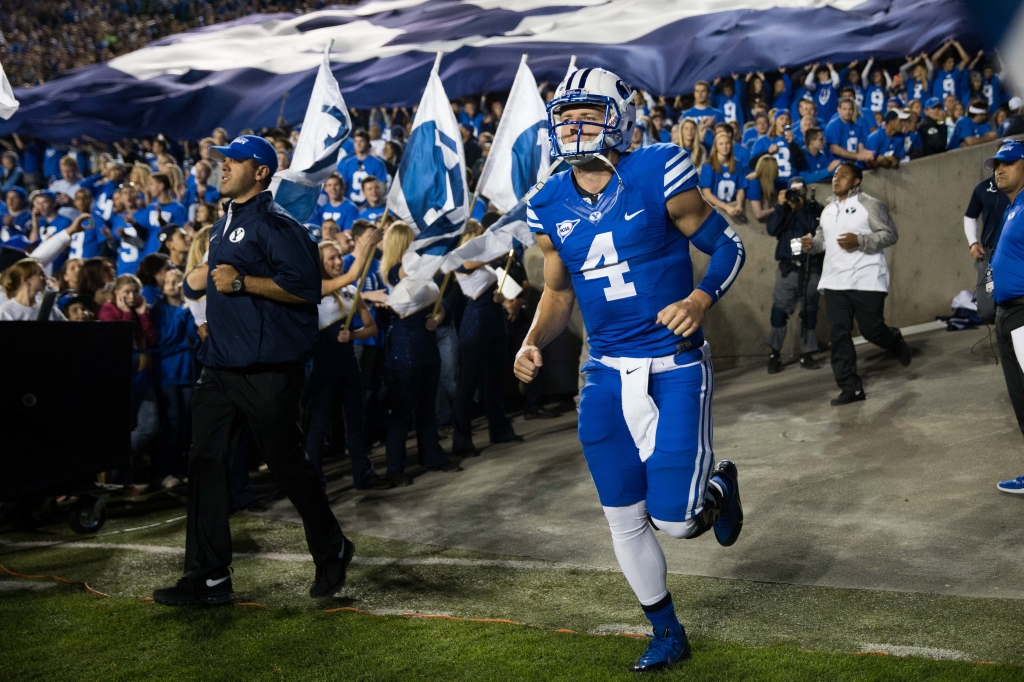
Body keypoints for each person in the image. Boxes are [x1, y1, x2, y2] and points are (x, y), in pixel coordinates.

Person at [516, 67, 745, 673]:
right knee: (622, 517)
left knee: (675, 520)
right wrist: (533, 339)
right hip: (605, 373)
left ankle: (718, 488)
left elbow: (730, 246)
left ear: (617, 116)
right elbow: (559, 295)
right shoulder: (545, 202)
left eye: (585, 112)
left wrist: (699, 301)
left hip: (672, 364)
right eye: (564, 116)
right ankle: (667, 631)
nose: (572, 125)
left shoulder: (659, 169)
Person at [153, 135, 353, 607]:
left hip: (267, 370)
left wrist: (241, 281)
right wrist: (201, 276)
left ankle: (333, 548)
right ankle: (209, 577)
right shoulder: (226, 223)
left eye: (235, 161)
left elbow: (306, 290)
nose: (224, 168)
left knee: (287, 466)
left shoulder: (277, 223)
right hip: (220, 367)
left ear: (261, 172)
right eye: (223, 161)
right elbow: (210, 278)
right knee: (204, 462)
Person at [801, 163, 911, 406]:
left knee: (872, 330)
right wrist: (812, 243)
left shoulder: (870, 204)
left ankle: (893, 339)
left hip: (866, 277)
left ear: (856, 181)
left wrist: (860, 240)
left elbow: (889, 234)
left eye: (843, 175)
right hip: (834, 281)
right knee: (838, 334)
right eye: (834, 176)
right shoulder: (827, 209)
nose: (836, 179)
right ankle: (851, 387)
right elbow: (822, 240)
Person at [379, 222, 462, 486]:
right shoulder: (394, 272)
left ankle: (432, 456)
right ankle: (395, 467)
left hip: (427, 344)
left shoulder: (422, 270)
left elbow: (442, 297)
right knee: (402, 411)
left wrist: (439, 315)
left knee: (427, 407)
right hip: (405, 348)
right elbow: (405, 277)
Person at [303, 239, 388, 491]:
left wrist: (353, 336)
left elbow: (371, 326)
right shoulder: (314, 288)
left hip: (349, 364)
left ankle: (363, 474)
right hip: (323, 366)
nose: (338, 261)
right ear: (320, 263)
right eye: (331, 258)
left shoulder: (350, 289)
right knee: (318, 426)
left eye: (339, 257)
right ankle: (312, 482)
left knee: (356, 421)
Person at [451, 221, 521, 458]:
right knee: (468, 383)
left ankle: (499, 429)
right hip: (476, 324)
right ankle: (461, 441)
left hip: (493, 320)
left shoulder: (484, 261)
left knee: (493, 380)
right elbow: (469, 265)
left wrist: (504, 300)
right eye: (478, 236)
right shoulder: (459, 259)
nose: (482, 240)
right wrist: (495, 252)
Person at [983, 141, 1024, 494]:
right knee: (1021, 397)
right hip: (1010, 315)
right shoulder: (1013, 207)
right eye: (997, 164)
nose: (1000, 169)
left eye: (1009, 163)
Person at [99, 274, 160, 492]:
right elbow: (119, 340)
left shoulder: (141, 309)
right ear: (116, 292)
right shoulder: (108, 310)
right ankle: (118, 480)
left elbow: (152, 339)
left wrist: (143, 314)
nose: (132, 296)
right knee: (122, 427)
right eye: (127, 292)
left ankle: (117, 458)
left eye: (135, 291)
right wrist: (125, 312)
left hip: (143, 377)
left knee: (150, 426)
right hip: (120, 380)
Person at [765, 178, 823, 373]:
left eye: (799, 190)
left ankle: (807, 353)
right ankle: (774, 353)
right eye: (793, 190)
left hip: (810, 267)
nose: (796, 194)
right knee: (779, 311)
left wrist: (800, 208)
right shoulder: (784, 211)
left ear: (806, 191)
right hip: (787, 268)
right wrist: (782, 207)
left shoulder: (814, 209)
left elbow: (815, 230)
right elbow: (772, 229)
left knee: (809, 311)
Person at [964, 165, 1011, 325]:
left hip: (1016, 253)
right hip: (990, 256)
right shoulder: (983, 188)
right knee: (988, 308)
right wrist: (973, 242)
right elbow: (970, 216)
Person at [699, 131, 747, 221]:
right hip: (714, 211)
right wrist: (725, 207)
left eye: (727, 143)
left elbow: (741, 188)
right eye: (721, 144)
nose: (724, 147)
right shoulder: (708, 167)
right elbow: (706, 193)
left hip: (732, 207)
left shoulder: (738, 165)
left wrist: (739, 204)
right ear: (716, 146)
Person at [0, 257, 66, 320]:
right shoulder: (7, 311)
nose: (46, 278)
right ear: (25, 279)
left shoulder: (48, 308)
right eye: (41, 274)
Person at [336, 129, 388, 208]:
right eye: (356, 141)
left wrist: (372, 204)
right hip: (351, 205)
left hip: (371, 206)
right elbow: (343, 187)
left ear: (367, 143)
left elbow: (382, 187)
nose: (358, 144)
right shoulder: (347, 163)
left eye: (361, 141)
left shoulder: (378, 163)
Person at [825, 98, 875, 166]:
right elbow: (834, 149)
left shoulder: (857, 127)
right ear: (839, 110)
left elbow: (860, 147)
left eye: (850, 109)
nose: (847, 112)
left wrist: (866, 155)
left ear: (853, 110)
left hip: (854, 164)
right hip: (839, 165)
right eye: (844, 109)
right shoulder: (833, 125)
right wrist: (858, 156)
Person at [308, 174, 359, 240]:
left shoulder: (351, 208)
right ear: (325, 188)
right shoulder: (323, 208)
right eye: (329, 185)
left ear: (342, 186)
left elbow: (348, 233)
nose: (333, 188)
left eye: (336, 185)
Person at [746, 154, 779, 223]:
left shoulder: (768, 181)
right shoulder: (753, 183)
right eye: (776, 168)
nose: (778, 170)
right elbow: (759, 214)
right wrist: (779, 207)